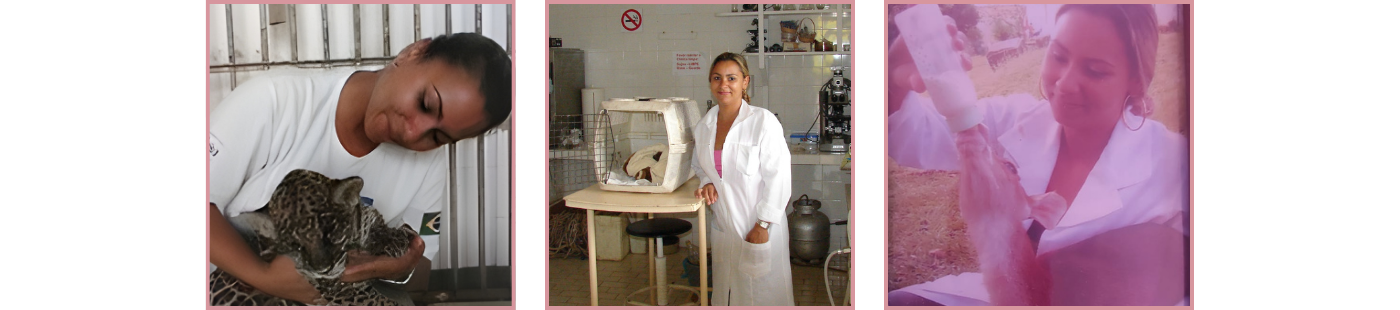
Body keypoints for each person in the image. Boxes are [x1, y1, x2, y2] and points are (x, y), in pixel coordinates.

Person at [886, 4, 1188, 306]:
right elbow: (915, 134)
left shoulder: (1175, 163)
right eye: (1058, 56)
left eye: (1095, 71)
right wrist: (891, 78)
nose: (1065, 84)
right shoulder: (1016, 120)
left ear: (1136, 80)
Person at [209, 32, 511, 305]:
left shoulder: (429, 163)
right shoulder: (273, 101)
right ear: (414, 53)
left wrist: (399, 269)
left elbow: (420, 269)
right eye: (425, 103)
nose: (412, 132)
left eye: (437, 136)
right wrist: (265, 277)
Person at [690, 52, 795, 306]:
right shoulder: (704, 126)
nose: (723, 84)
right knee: (728, 295)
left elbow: (779, 178)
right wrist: (707, 182)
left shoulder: (763, 121)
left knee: (763, 296)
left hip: (758, 226)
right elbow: (699, 166)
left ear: (745, 82)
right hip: (725, 227)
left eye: (731, 78)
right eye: (717, 78)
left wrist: (763, 224)